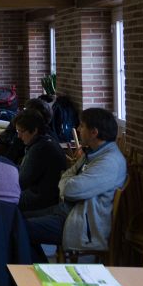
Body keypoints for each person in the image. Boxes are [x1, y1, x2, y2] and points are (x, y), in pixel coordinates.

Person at [25, 108, 127, 261]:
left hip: (80, 223)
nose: (78, 129)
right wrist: (66, 185)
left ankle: (35, 269)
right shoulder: (93, 153)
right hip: (68, 211)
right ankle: (38, 266)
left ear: (94, 132)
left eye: (82, 126)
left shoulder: (109, 162)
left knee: (19, 228)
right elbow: (66, 175)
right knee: (16, 219)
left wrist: (66, 186)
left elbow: (71, 190)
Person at [14, 109, 67, 215]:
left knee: (1, 200)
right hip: (43, 194)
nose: (19, 136)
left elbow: (21, 182)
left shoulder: (40, 149)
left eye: (21, 131)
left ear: (34, 130)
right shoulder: (47, 140)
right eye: (17, 131)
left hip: (41, 200)